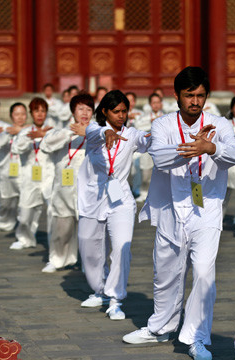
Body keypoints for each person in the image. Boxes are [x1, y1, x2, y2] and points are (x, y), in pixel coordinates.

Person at [122, 67, 235, 360]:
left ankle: (197, 337)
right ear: (177, 95)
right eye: (189, 95)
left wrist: (211, 147)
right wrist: (193, 147)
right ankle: (160, 326)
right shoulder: (163, 124)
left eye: (201, 95)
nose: (195, 101)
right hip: (169, 211)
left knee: (203, 273)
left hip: (207, 209)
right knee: (166, 274)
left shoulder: (219, 124)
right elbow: (160, 157)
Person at [77, 90, 151, 320]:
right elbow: (93, 132)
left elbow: (144, 139)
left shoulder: (130, 134)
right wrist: (106, 131)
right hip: (93, 198)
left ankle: (115, 298)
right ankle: (100, 289)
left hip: (121, 200)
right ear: (105, 112)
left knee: (121, 247)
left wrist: (156, 136)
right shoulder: (94, 132)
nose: (121, 115)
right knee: (89, 247)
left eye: (124, 111)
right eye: (116, 111)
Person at [39, 93, 93, 273]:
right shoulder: (60, 131)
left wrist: (88, 132)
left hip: (88, 190)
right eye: (80, 109)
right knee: (61, 228)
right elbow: (46, 144)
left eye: (88, 109)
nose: (85, 113)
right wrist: (72, 131)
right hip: (63, 189)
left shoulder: (96, 132)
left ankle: (87, 263)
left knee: (89, 233)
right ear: (73, 111)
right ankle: (57, 258)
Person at [10, 98, 54, 250]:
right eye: (36, 111)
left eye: (43, 111)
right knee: (26, 210)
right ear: (31, 113)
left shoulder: (53, 131)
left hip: (49, 175)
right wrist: (32, 138)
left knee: (54, 210)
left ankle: (56, 243)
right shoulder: (25, 132)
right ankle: (25, 239)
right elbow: (16, 148)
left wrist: (44, 135)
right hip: (30, 175)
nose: (40, 114)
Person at [0, 103, 26, 232]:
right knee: (5, 202)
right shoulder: (5, 130)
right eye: (17, 114)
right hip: (7, 172)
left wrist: (21, 131)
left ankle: (25, 228)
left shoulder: (30, 132)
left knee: (25, 204)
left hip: (24, 173)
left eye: (23, 114)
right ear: (11, 116)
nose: (20, 117)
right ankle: (3, 222)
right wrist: (8, 133)